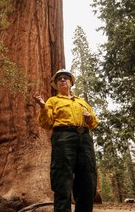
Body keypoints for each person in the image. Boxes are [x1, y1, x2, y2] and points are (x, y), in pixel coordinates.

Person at [33, 69, 98, 212]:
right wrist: (43, 106)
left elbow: (94, 123)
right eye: (59, 79)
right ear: (56, 84)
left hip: (85, 139)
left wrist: (89, 118)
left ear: (71, 82)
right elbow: (46, 123)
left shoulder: (82, 101)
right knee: (62, 178)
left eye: (66, 78)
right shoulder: (53, 101)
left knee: (87, 178)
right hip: (63, 137)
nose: (63, 80)